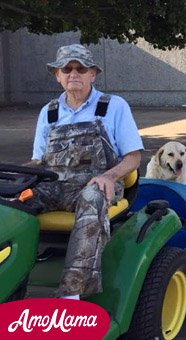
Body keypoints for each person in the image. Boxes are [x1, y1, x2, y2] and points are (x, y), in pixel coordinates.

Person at [25, 44, 143, 299]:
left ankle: (71, 295)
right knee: (12, 201)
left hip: (96, 184)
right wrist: (16, 179)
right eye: (67, 68)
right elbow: (38, 161)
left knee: (92, 196)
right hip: (54, 186)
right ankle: (15, 277)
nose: (73, 73)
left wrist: (109, 176)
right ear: (57, 75)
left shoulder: (113, 106)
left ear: (93, 74)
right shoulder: (49, 112)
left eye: (81, 68)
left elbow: (134, 157)